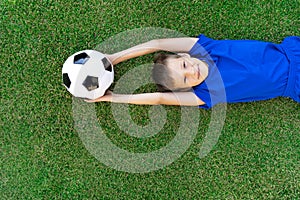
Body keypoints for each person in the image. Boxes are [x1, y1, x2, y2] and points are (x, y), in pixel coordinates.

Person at [86, 34, 300, 109]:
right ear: (187, 88)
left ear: (185, 56)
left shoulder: (205, 49)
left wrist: (114, 58)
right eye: (186, 80)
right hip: (295, 84)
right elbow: (160, 98)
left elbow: (157, 43)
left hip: (293, 53)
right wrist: (113, 98)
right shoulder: (206, 93)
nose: (193, 73)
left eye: (185, 67)